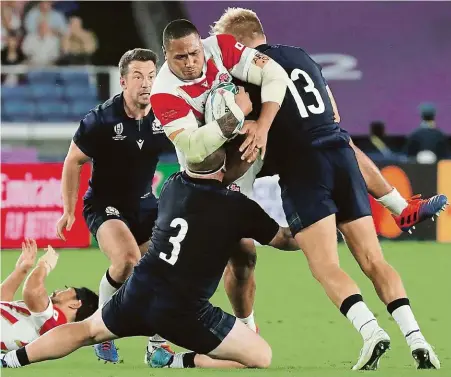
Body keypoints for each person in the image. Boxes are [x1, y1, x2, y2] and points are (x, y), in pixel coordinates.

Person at [210, 7, 447, 370]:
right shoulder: (301, 56)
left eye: (226, 47)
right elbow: (334, 114)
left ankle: (371, 332)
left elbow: (247, 130)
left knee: (325, 266)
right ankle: (417, 337)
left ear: (239, 42)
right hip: (339, 153)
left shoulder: (247, 71)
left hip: (303, 165)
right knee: (373, 260)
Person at [0, 148, 299, 370]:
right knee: (260, 356)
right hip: (184, 309)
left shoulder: (173, 187)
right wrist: (323, 223)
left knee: (86, 331)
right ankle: (174, 362)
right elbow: (285, 240)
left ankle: (11, 360)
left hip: (139, 290)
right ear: (225, 167)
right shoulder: (239, 207)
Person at [149, 19, 290, 337]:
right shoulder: (164, 93)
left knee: (245, 257)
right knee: (218, 257)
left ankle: (245, 328)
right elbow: (193, 146)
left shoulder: (221, 47)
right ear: (166, 55)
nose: (190, 62)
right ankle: (157, 330)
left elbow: (275, 74)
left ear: (202, 44)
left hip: (247, 153)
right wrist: (238, 114)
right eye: (179, 57)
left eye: (194, 53)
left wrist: (262, 125)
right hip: (207, 177)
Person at [55, 48, 172, 363]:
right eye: (138, 76)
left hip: (146, 205)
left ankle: (157, 345)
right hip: (105, 205)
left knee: (166, 266)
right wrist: (68, 209)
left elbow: (193, 150)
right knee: (127, 261)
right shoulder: (101, 119)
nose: (146, 83)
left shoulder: (166, 115)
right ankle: (101, 333)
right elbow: (72, 161)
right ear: (123, 81)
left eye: (150, 76)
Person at [0, 239, 98, 352]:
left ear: (76, 304)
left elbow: (33, 292)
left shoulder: (54, 323)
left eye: (67, 290)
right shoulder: (44, 317)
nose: (57, 290)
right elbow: (3, 302)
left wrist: (45, 265)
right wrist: (22, 270)